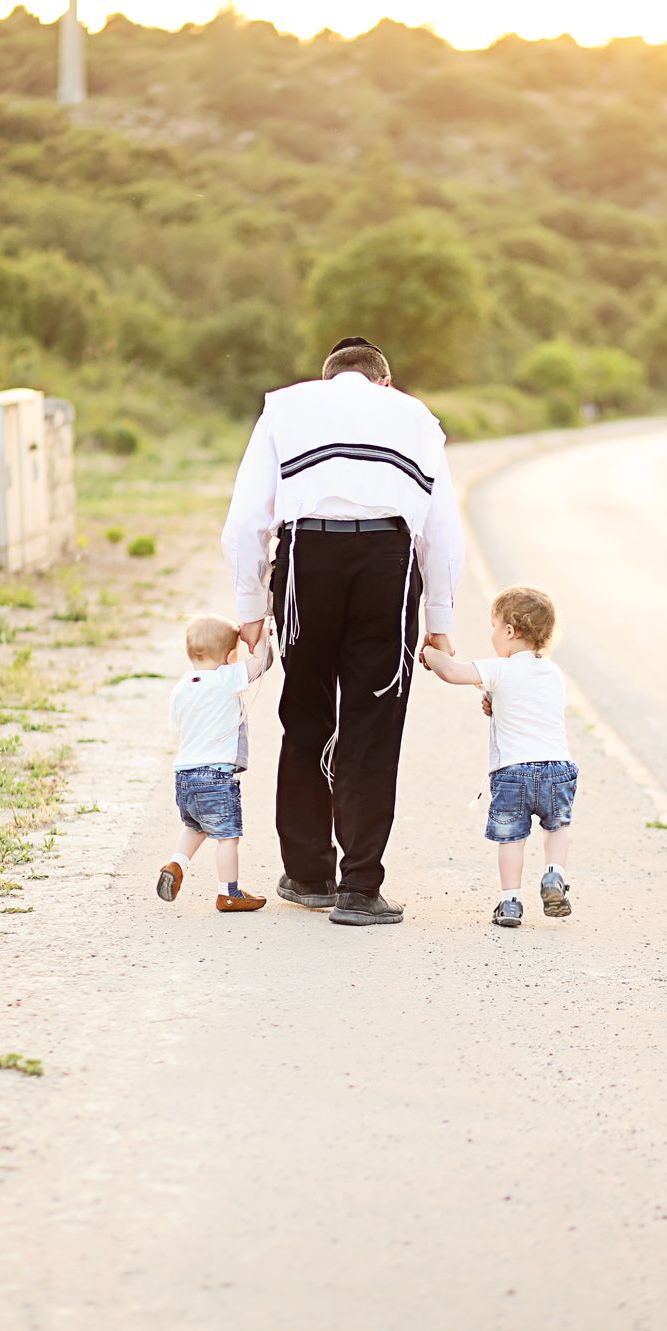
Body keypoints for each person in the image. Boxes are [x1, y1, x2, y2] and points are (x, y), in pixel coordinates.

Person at [221, 337, 465, 926]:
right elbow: (442, 526)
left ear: (327, 378)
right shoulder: (415, 415)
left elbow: (247, 517)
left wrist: (251, 605)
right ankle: (360, 888)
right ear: (384, 380)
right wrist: (440, 622)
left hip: (308, 554)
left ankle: (307, 874)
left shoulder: (285, 407)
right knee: (373, 719)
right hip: (389, 559)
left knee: (304, 714)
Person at [420, 586, 578, 929]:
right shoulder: (553, 673)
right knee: (558, 827)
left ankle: (511, 901)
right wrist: (497, 703)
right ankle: (555, 874)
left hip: (514, 771)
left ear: (509, 631)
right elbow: (531, 708)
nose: (491, 634)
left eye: (494, 626)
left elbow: (452, 672)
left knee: (512, 838)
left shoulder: (499, 669)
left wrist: (430, 651)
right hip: (558, 767)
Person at [156, 613, 275, 913]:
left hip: (184, 776)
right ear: (230, 655)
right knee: (227, 836)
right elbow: (263, 663)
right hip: (216, 776)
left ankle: (176, 863)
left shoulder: (182, 687)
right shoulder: (226, 678)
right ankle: (229, 892)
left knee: (195, 825)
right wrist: (261, 638)